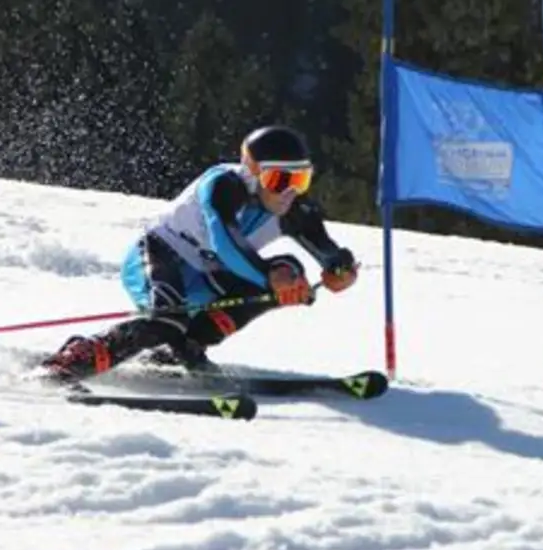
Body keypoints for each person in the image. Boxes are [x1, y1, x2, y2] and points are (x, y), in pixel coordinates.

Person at [42, 125, 359, 380]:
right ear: (251, 173)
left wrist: (339, 271)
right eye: (279, 179)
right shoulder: (223, 186)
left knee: (290, 270)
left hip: (207, 275)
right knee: (168, 319)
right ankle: (82, 355)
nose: (290, 192)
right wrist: (268, 277)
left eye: (301, 180)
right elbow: (225, 242)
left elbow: (329, 252)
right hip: (159, 257)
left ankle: (183, 347)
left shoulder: (294, 209)